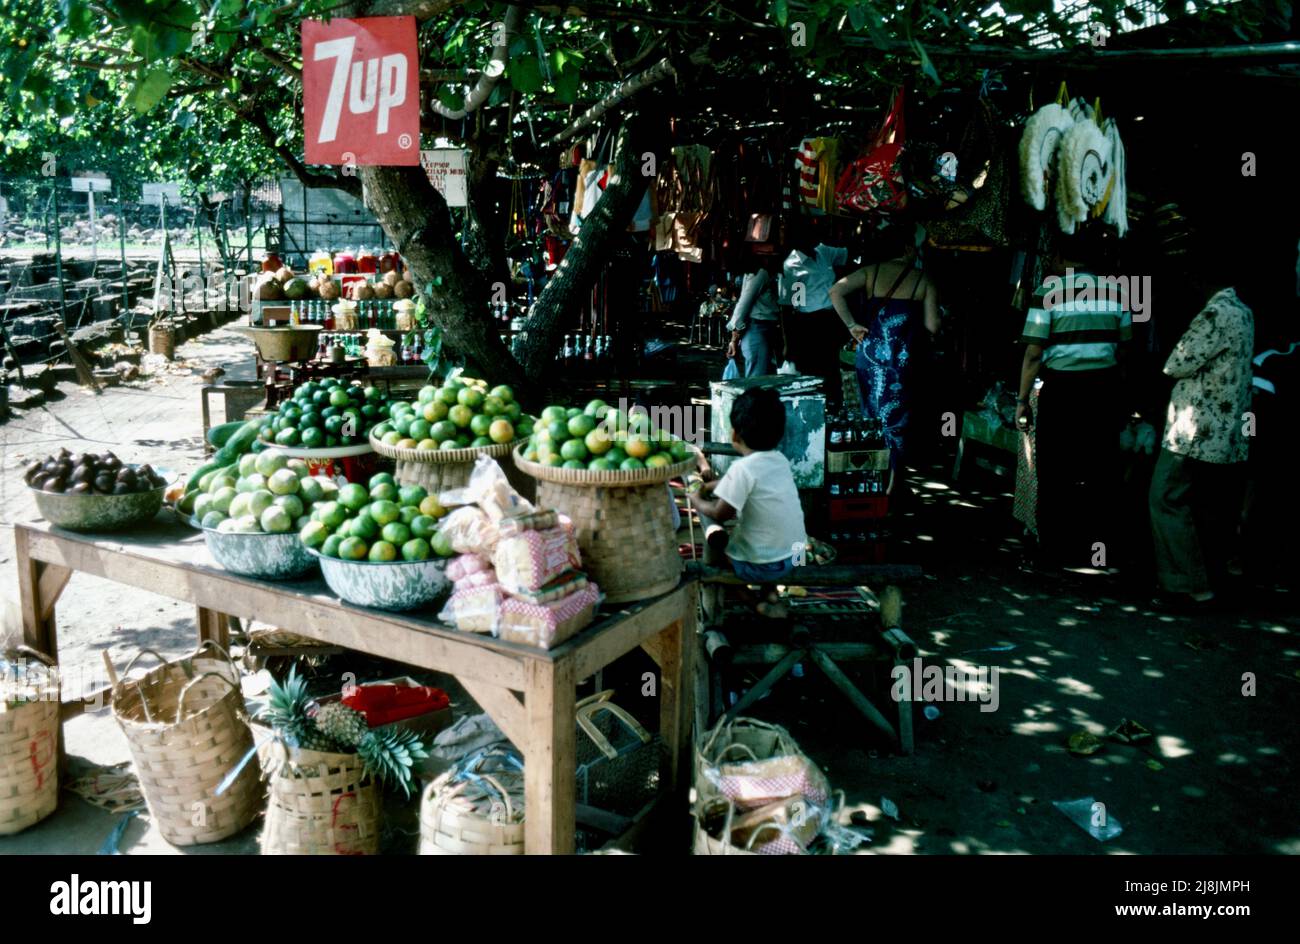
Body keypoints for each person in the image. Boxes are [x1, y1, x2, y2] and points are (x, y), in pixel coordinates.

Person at [1015, 229, 1131, 568]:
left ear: (1061, 257)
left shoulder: (1048, 291)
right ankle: (1098, 550)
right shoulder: (1117, 292)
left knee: (1054, 471)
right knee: (1100, 469)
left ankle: (1052, 553)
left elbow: (1034, 352)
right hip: (1103, 389)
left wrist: (1022, 400)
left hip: (1063, 391)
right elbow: (1124, 350)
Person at [1148, 279, 1255, 606]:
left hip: (1194, 432)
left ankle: (1188, 585)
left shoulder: (1215, 313)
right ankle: (1206, 580)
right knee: (1201, 503)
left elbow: (1175, 363)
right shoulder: (1244, 312)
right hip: (1225, 432)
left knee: (1165, 496)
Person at [828, 226, 940, 489]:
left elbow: (835, 291)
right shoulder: (923, 279)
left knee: (872, 417)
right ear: (907, 248)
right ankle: (892, 486)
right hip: (901, 364)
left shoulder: (871, 271)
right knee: (897, 422)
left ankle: (873, 480)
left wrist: (851, 325)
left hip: (869, 357)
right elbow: (933, 326)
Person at [689, 387, 807, 618]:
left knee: (719, 559)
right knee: (766, 537)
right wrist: (711, 486)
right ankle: (771, 594)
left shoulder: (741, 470)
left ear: (734, 435)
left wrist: (696, 500)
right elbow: (742, 483)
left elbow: (719, 513)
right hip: (795, 555)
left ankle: (756, 604)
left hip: (763, 565)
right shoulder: (779, 460)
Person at [780, 232, 849, 410]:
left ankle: (834, 407)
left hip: (831, 317)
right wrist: (788, 342)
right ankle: (815, 409)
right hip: (809, 322)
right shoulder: (793, 266)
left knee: (832, 366)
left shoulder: (823, 252)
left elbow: (847, 254)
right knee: (814, 368)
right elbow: (793, 306)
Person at [726, 257, 782, 377]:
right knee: (757, 380)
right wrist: (734, 339)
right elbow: (743, 305)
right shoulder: (760, 274)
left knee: (763, 378)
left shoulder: (765, 273)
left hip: (765, 329)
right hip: (757, 329)